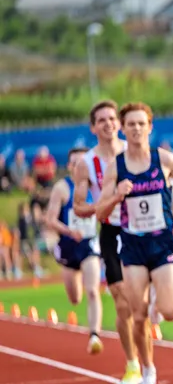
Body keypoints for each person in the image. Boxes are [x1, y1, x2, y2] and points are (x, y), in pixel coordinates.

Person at [93, 102, 173, 384]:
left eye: (141, 123)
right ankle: (147, 369)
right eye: (130, 124)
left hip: (161, 242)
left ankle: (160, 293)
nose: (136, 129)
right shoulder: (116, 168)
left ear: (149, 127)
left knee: (169, 312)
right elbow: (99, 212)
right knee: (138, 313)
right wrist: (116, 196)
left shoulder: (165, 160)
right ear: (123, 128)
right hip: (132, 245)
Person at [72, 100, 142, 384]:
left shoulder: (135, 151)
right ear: (93, 127)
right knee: (120, 300)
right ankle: (132, 364)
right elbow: (78, 206)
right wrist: (105, 204)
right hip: (111, 230)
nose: (108, 123)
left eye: (112, 118)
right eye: (102, 120)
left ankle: (148, 322)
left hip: (142, 229)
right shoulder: (86, 163)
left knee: (143, 301)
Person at [44, 147, 104, 355]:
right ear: (69, 166)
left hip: (89, 244)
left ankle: (94, 335)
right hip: (69, 246)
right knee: (75, 298)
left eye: (82, 162)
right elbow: (50, 219)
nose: (78, 166)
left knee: (93, 290)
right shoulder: (62, 188)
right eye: (74, 163)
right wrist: (69, 231)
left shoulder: (97, 185)